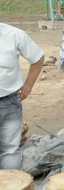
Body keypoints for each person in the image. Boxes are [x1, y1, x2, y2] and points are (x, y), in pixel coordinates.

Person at [0, 23, 44, 169]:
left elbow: (37, 58)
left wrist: (28, 85)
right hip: (9, 102)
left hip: (8, 102)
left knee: (10, 151)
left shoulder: (14, 34)